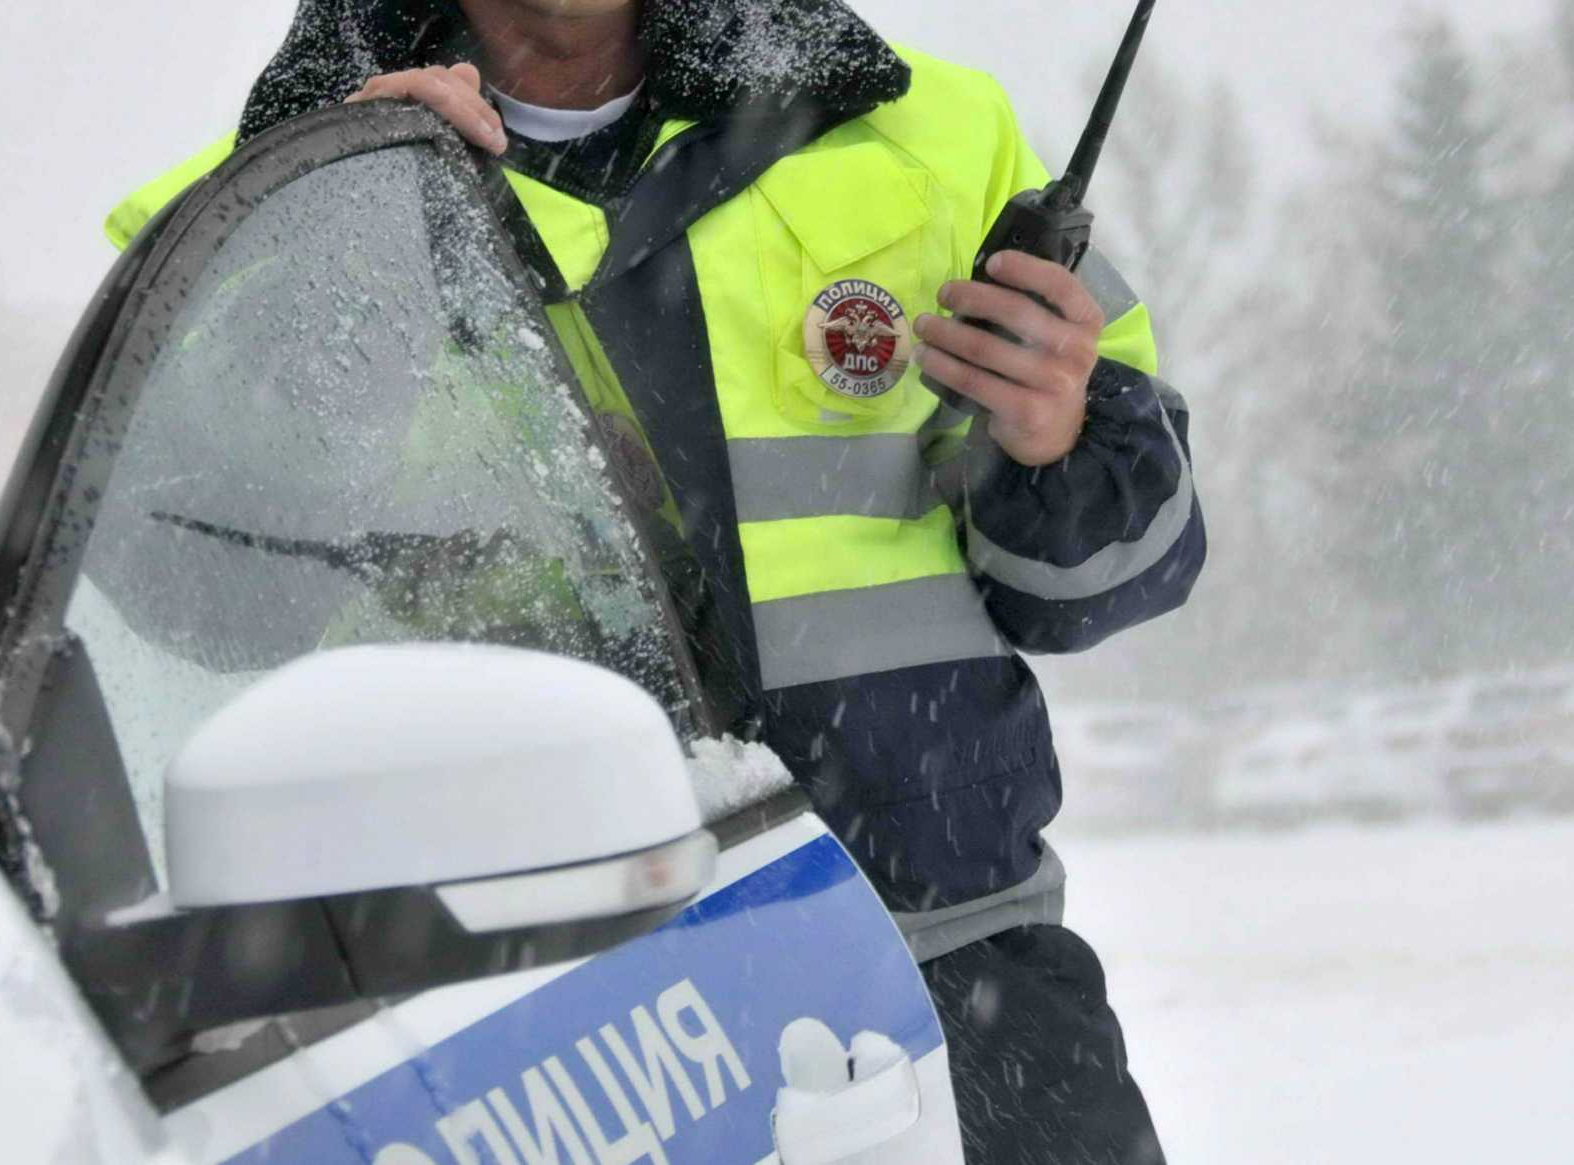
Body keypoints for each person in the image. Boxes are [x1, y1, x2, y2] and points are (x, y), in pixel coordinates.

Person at [109, 1, 1202, 1160]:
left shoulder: (933, 135)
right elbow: (196, 598)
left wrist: (1058, 441)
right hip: (530, 1055)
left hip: (949, 981)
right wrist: (334, 270)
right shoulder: (255, 215)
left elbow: (1117, 572)